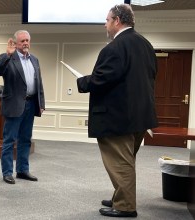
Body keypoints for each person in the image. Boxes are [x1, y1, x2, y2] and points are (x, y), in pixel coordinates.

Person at [76, 4, 158, 218]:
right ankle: (119, 197)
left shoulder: (114, 47)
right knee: (127, 160)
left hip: (117, 117)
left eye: (107, 20)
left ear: (117, 21)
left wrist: (83, 82)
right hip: (140, 116)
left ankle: (125, 206)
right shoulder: (145, 44)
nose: (105, 24)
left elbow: (103, 79)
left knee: (120, 163)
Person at [0, 30, 45, 184]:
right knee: (9, 140)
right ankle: (7, 172)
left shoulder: (34, 59)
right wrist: (8, 55)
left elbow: (39, 83)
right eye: (22, 41)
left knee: (26, 140)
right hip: (14, 105)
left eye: (27, 40)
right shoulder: (8, 57)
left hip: (30, 104)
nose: (25, 43)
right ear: (15, 43)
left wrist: (41, 103)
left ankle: (22, 170)